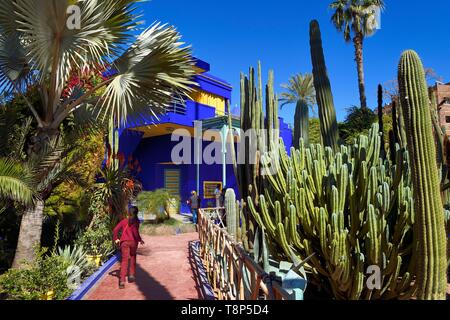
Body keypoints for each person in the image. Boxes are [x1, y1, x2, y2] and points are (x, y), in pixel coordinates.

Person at [113, 206, 145, 289]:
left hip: (124, 243)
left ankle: (122, 281)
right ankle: (131, 275)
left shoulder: (124, 221)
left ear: (128, 213)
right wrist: (140, 240)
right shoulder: (137, 222)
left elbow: (115, 230)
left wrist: (116, 239)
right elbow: (135, 233)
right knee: (133, 257)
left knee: (124, 261)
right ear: (136, 213)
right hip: (133, 242)